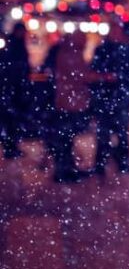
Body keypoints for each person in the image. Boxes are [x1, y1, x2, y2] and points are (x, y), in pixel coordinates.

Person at [91, 19, 129, 175]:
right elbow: (95, 70)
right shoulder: (104, 50)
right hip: (108, 94)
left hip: (119, 95)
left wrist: (121, 80)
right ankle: (103, 163)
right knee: (106, 132)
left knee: (120, 131)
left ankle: (120, 162)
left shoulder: (125, 51)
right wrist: (107, 78)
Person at [45, 31, 91, 183]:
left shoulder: (64, 53)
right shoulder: (71, 55)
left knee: (66, 138)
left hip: (67, 101)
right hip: (69, 103)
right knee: (66, 137)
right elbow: (80, 75)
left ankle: (66, 169)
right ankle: (64, 170)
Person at [1, 22, 29, 159]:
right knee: (11, 119)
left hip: (13, 88)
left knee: (11, 119)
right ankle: (10, 147)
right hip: (13, 88)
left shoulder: (14, 45)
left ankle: (11, 146)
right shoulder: (15, 46)